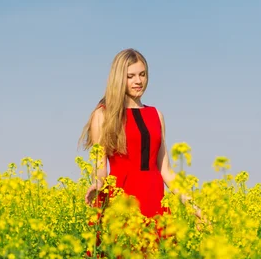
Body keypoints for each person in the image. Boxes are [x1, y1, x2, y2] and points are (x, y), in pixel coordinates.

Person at [78, 48, 204, 237]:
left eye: (142, 74)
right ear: (119, 78)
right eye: (131, 76)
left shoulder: (156, 115)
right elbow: (100, 166)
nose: (138, 81)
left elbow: (166, 171)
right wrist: (97, 183)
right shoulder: (103, 115)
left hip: (154, 196)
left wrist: (194, 206)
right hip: (121, 197)